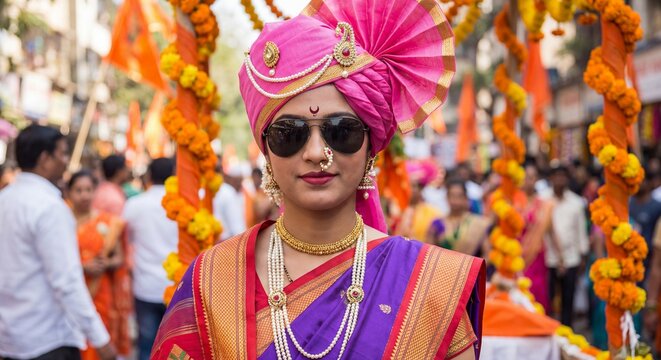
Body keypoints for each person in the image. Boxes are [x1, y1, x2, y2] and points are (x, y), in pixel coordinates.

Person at [151, 0, 485, 358]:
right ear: (265, 149)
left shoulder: (431, 284)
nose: (315, 153)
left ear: (371, 146)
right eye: (289, 134)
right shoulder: (214, 278)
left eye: (341, 132)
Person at [0, 125, 115, 360]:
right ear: (45, 159)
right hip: (47, 338)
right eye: (62, 154)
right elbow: (67, 281)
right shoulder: (50, 207)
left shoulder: (6, 198)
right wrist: (101, 340)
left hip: (11, 336)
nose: (65, 161)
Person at [67, 170, 131, 360]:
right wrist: (83, 267)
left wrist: (106, 263)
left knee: (99, 338)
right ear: (69, 193)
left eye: (88, 189)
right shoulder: (61, 219)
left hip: (101, 290)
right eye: (78, 190)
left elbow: (119, 257)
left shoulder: (107, 222)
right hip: (72, 287)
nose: (84, 195)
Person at [123, 158, 178, 360]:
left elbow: (125, 240)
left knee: (147, 346)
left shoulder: (134, 205)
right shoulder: (183, 205)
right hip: (176, 286)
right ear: (173, 175)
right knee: (176, 348)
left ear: (148, 176)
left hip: (145, 286)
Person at [545, 163, 589, 327]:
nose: (559, 179)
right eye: (556, 176)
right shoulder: (543, 200)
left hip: (571, 258)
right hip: (549, 258)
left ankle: (566, 332)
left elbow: (581, 231)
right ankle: (550, 331)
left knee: (568, 298)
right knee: (549, 298)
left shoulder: (576, 202)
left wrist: (583, 255)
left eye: (563, 176)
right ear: (550, 178)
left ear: (568, 179)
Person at [519, 163, 553, 313]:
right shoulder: (513, 201)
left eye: (532, 178)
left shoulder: (543, 204)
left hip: (536, 255)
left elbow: (549, 230)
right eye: (526, 178)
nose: (529, 181)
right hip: (515, 253)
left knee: (537, 288)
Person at [430, 179, 491, 257]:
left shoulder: (478, 223)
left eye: (459, 196)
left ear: (465, 198)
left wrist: (474, 268)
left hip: (471, 268)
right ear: (446, 197)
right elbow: (430, 253)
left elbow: (487, 253)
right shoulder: (437, 223)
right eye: (451, 196)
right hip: (443, 268)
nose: (455, 200)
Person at [213, 162, 247, 240]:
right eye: (237, 180)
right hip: (225, 246)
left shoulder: (199, 190)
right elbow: (238, 230)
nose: (239, 183)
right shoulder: (227, 192)